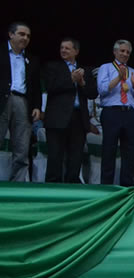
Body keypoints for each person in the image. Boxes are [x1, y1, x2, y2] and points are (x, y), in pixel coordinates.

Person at [43, 37, 97, 183]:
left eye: (67, 48)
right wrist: (70, 80)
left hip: (79, 118)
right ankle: (52, 185)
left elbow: (93, 93)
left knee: (76, 154)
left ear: (76, 51)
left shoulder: (85, 70)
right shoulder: (52, 67)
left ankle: (72, 184)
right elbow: (50, 87)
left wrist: (82, 82)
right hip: (57, 118)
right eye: (61, 48)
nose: (63, 50)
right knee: (55, 154)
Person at [96, 39, 134, 187]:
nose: (125, 54)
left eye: (127, 52)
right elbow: (102, 89)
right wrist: (118, 77)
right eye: (122, 51)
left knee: (129, 152)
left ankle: (126, 186)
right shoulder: (105, 68)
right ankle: (106, 186)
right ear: (115, 52)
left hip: (129, 113)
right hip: (112, 112)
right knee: (109, 149)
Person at [1, 22, 41, 182]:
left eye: (28, 36)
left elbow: (36, 86)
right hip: (2, 100)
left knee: (22, 148)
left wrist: (37, 106)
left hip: (23, 102)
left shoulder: (32, 59)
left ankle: (17, 184)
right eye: (22, 34)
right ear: (11, 34)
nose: (25, 38)